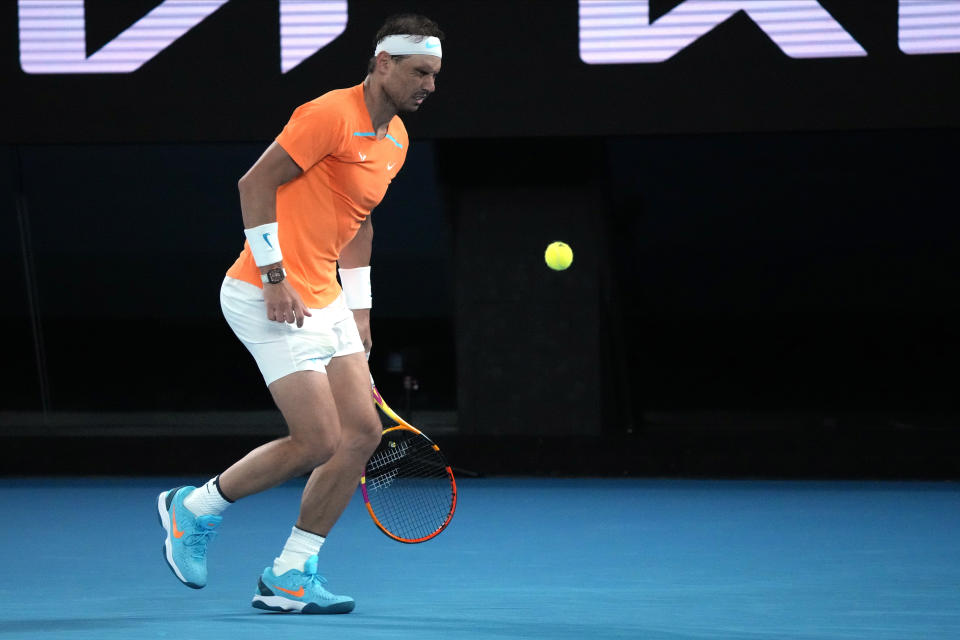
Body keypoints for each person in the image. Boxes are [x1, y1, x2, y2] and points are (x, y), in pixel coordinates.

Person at [156, 14, 444, 614]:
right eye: (419, 72)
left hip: (325, 298)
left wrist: (360, 313)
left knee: (361, 434)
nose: (429, 85)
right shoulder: (327, 115)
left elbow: (358, 221)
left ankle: (290, 572)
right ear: (382, 62)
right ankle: (195, 507)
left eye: (435, 75)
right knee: (317, 439)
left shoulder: (396, 141)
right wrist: (274, 276)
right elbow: (253, 184)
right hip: (265, 295)